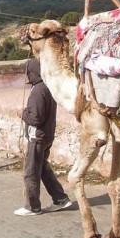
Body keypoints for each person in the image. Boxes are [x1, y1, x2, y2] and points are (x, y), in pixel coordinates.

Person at [14, 58, 73, 216]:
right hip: (46, 135)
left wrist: (22, 113)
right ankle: (61, 199)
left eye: (28, 72)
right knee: (43, 170)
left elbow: (36, 118)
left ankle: (32, 207)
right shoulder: (47, 87)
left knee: (31, 171)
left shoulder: (39, 90)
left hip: (38, 137)